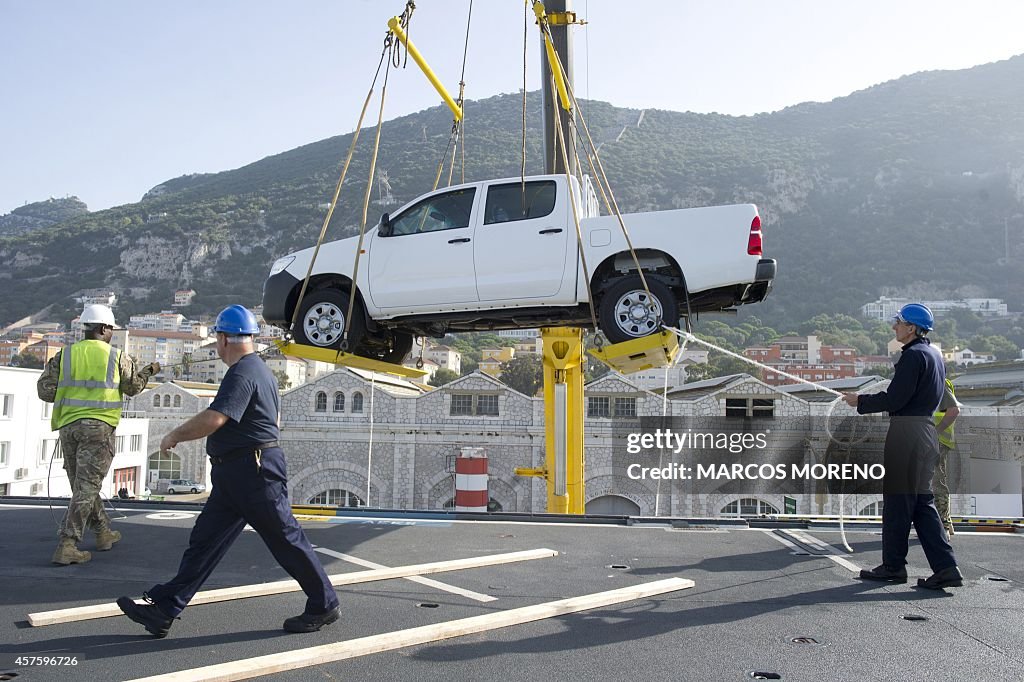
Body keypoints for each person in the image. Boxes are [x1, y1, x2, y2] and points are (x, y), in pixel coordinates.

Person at [117, 305, 339, 638]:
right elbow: (271, 421)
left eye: (217, 339)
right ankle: (164, 610)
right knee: (204, 542)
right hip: (237, 473)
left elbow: (215, 417)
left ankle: (324, 604)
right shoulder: (258, 370)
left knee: (285, 538)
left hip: (251, 472)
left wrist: (175, 434)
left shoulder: (242, 373)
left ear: (222, 339)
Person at [842, 303, 963, 589]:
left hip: (906, 434)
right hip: (924, 432)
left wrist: (860, 401)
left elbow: (896, 399)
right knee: (922, 504)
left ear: (911, 328)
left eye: (898, 322)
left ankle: (893, 567)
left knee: (898, 504)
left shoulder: (912, 357)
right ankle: (947, 568)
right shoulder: (934, 355)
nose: (894, 326)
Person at [37, 304, 159, 565]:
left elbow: (45, 391)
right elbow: (133, 387)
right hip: (99, 428)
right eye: (112, 329)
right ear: (103, 328)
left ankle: (103, 532)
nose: (112, 333)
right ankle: (68, 543)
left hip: (68, 427)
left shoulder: (65, 356)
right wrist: (148, 371)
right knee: (87, 486)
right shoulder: (117, 357)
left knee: (81, 485)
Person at [933, 378, 961, 536]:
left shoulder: (939, 383)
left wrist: (935, 432)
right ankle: (943, 523)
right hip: (935, 440)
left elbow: (953, 410)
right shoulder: (932, 382)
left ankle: (943, 524)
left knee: (936, 481)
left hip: (938, 441)